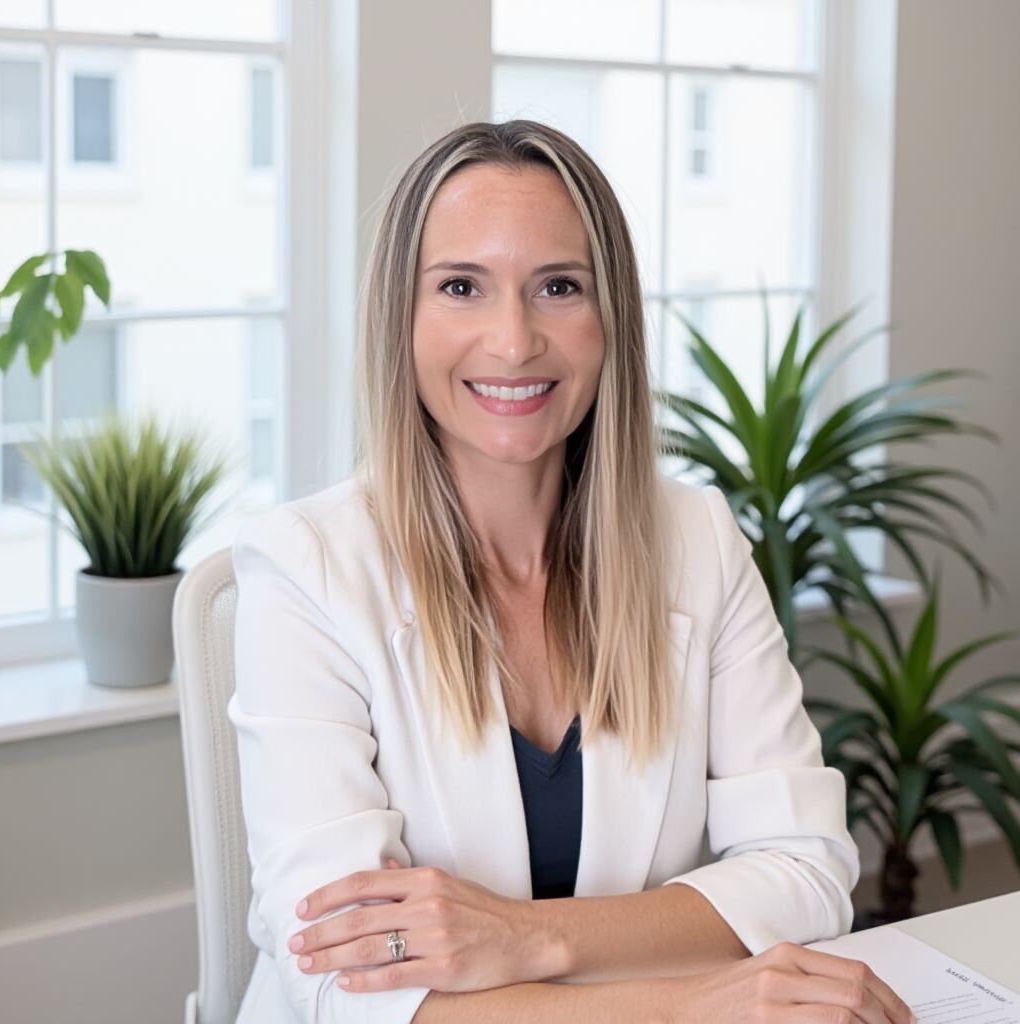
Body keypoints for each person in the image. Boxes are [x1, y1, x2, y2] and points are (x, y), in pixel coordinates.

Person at [228, 119, 915, 1023]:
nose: (513, 343)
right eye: (461, 287)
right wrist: (681, 1005)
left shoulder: (697, 537)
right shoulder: (305, 569)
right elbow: (342, 978)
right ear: (402, 317)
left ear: (610, 319)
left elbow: (805, 868)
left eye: (558, 286)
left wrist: (529, 937)